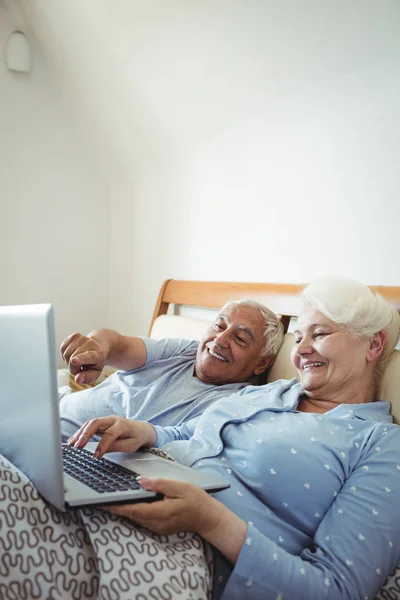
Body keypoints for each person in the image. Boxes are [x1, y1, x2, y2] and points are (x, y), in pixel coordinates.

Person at [1, 276, 400, 600]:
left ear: (374, 343)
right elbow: (195, 431)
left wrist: (211, 520)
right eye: (299, 338)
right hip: (128, 487)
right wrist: (144, 432)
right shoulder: (269, 393)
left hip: (194, 550)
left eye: (321, 334)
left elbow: (340, 589)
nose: (302, 351)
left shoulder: (379, 444)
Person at [58, 299, 284, 441]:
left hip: (68, 450)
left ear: (262, 363)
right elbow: (118, 344)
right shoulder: (186, 350)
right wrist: (97, 347)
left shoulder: (232, 404)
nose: (220, 340)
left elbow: (174, 442)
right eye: (219, 326)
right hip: (50, 409)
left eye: (240, 338)